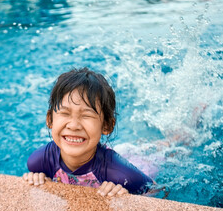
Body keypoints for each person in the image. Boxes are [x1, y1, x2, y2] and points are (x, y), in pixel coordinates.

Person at [23, 67, 154, 197]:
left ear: (107, 125)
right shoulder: (41, 161)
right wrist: (38, 179)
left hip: (143, 163)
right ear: (50, 119)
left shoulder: (119, 173)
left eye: (86, 115)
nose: (74, 126)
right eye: (65, 113)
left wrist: (127, 197)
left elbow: (156, 190)